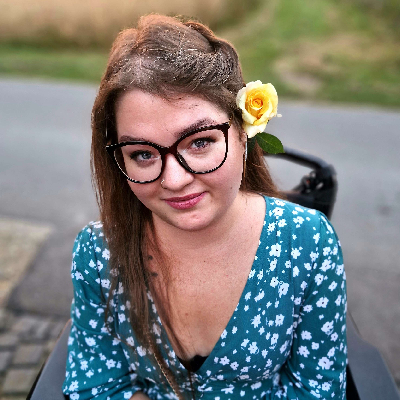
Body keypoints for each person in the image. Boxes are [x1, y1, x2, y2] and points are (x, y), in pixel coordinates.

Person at [62, 14, 347, 400]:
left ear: (243, 134)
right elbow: (96, 386)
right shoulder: (100, 255)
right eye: (143, 154)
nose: (174, 180)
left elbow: (317, 391)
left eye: (199, 142)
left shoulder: (308, 244)